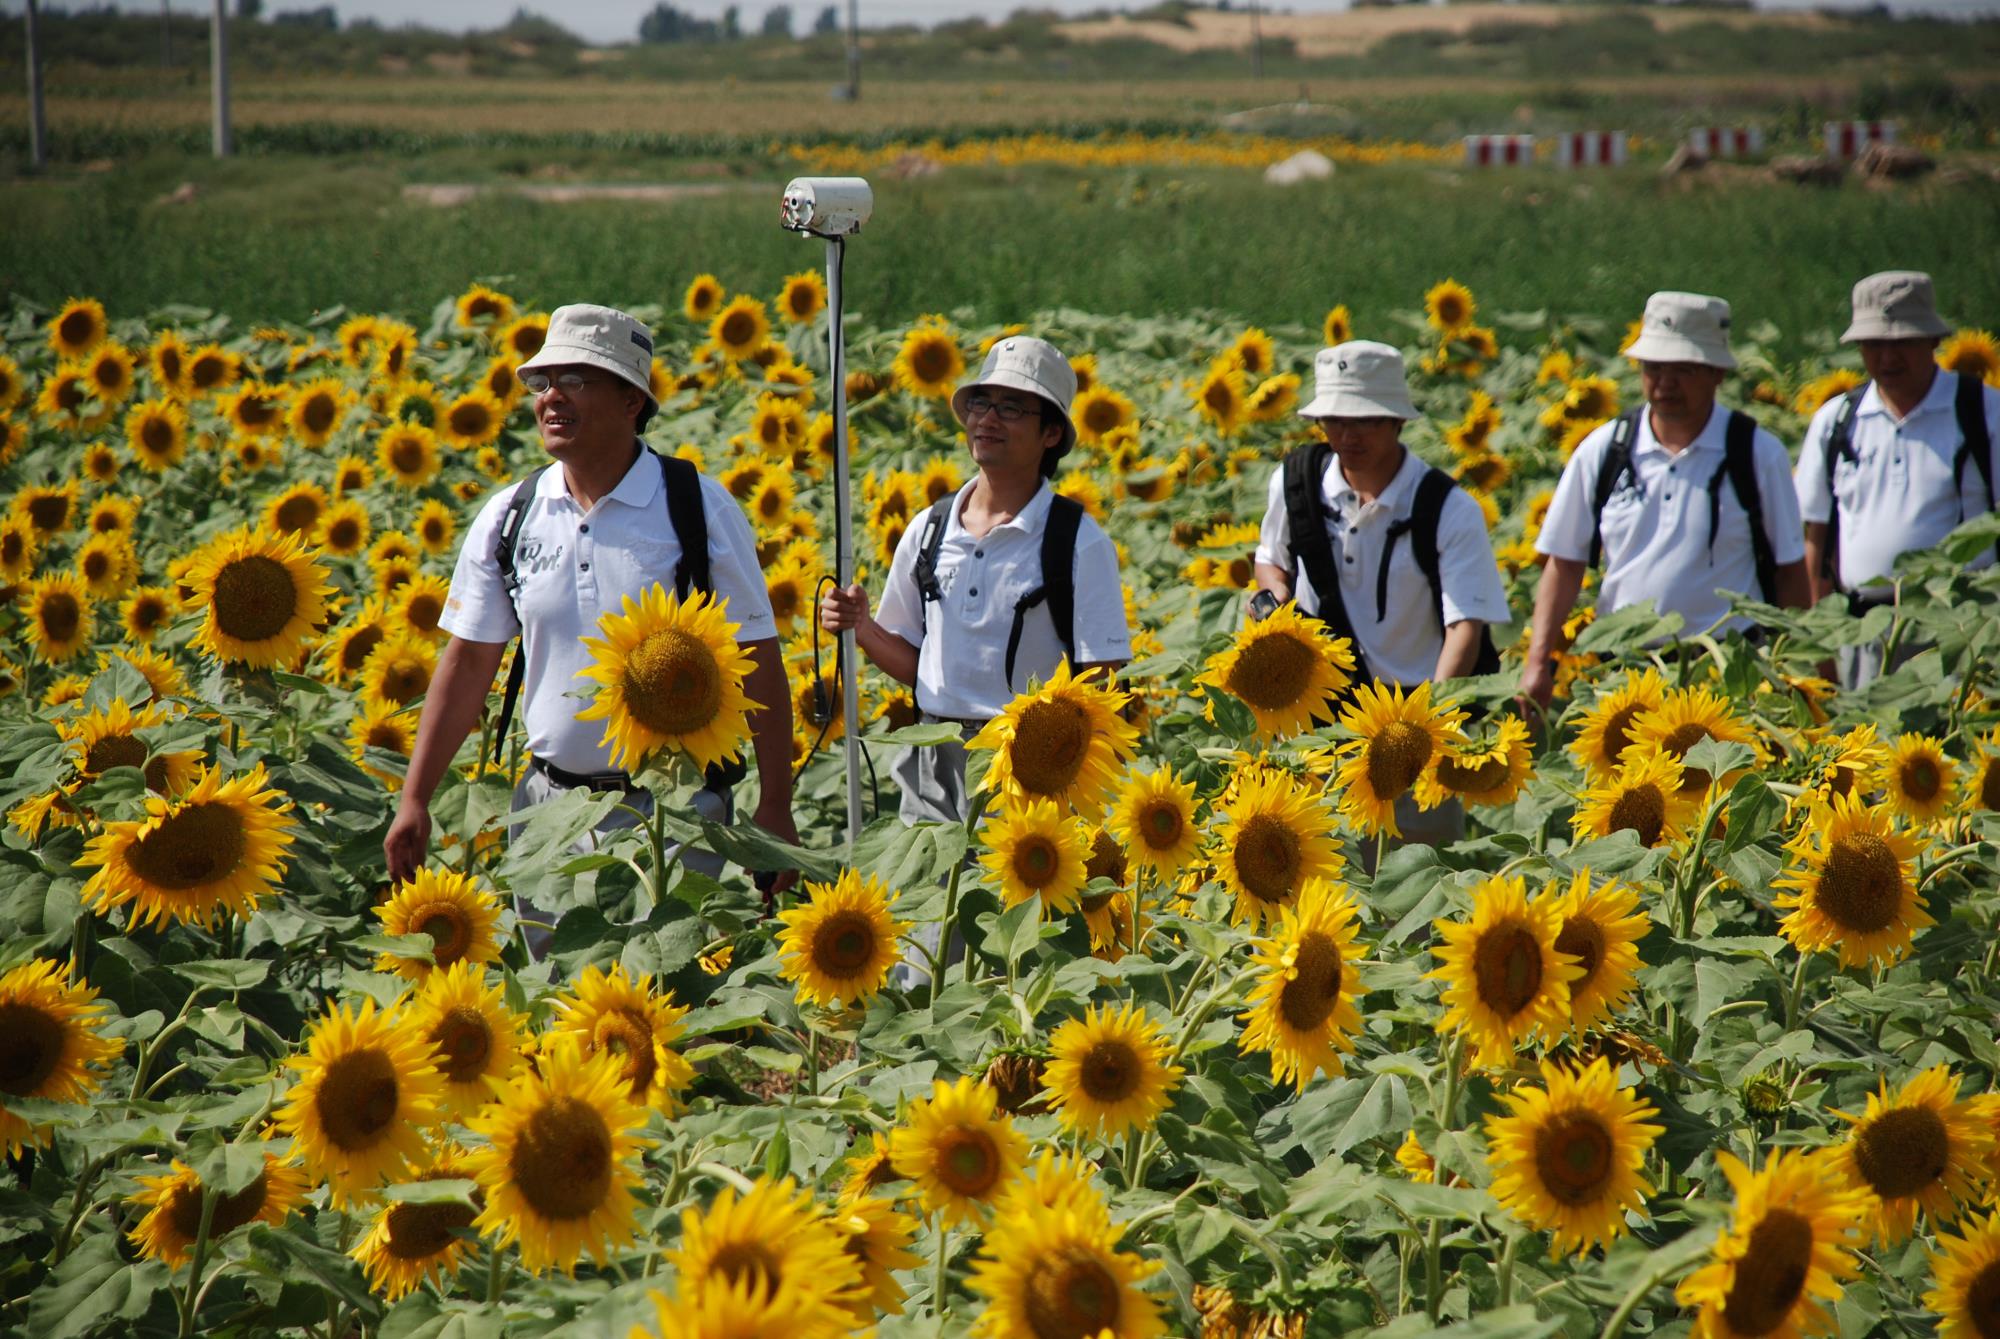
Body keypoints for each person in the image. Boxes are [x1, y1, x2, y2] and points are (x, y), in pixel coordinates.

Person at [383, 303, 798, 945]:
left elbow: (759, 660)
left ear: (632, 400)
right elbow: (467, 665)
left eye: (576, 380)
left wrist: (775, 804)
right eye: (541, 382)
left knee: (672, 1004)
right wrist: (415, 798)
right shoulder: (512, 515)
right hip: (548, 810)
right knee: (558, 1011)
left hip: (676, 814)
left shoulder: (696, 507)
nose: (551, 398)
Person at [818, 334, 1131, 828]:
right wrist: (861, 627)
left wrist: (1053, 762)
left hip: (1026, 767)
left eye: (1011, 408)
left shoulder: (1077, 542)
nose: (987, 419)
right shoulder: (930, 529)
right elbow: (918, 667)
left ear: (1051, 434)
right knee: (923, 898)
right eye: (981, 403)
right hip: (930, 753)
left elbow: (1102, 680)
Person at [1252, 338, 1512, 851]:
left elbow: (1465, 627)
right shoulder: (1296, 482)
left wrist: (1425, 728)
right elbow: (1270, 557)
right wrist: (1274, 596)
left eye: (1365, 420)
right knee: (1319, 888)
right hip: (1317, 725)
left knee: (1412, 892)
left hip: (1411, 729)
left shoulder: (1445, 508)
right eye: (1334, 419)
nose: (1347, 435)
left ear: (1396, 421)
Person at [1521, 292, 1811, 708]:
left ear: (1716, 373)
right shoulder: (1605, 451)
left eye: (1683, 369)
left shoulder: (1756, 454)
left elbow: (1788, 571)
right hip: (1625, 671)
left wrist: (1798, 664)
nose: (1665, 383)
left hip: (1729, 671)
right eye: (1653, 368)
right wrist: (1537, 661)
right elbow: (1564, 563)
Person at [1794, 270, 1999, 687]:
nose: (1888, 358)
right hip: (1863, 630)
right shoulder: (1836, 422)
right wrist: (1818, 647)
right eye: (1874, 345)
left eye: (1902, 343)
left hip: (1962, 630)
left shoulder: (1983, 413)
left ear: (1931, 340)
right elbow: (1815, 539)